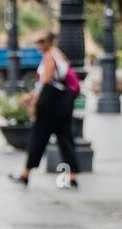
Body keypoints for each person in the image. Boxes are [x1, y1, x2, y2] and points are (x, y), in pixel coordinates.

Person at [9, 29, 80, 188]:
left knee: (38, 139)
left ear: (48, 42)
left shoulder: (49, 56)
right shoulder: (58, 54)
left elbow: (45, 81)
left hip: (50, 104)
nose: (38, 45)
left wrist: (33, 101)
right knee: (65, 139)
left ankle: (25, 175)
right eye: (36, 42)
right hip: (63, 104)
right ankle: (72, 176)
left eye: (41, 41)